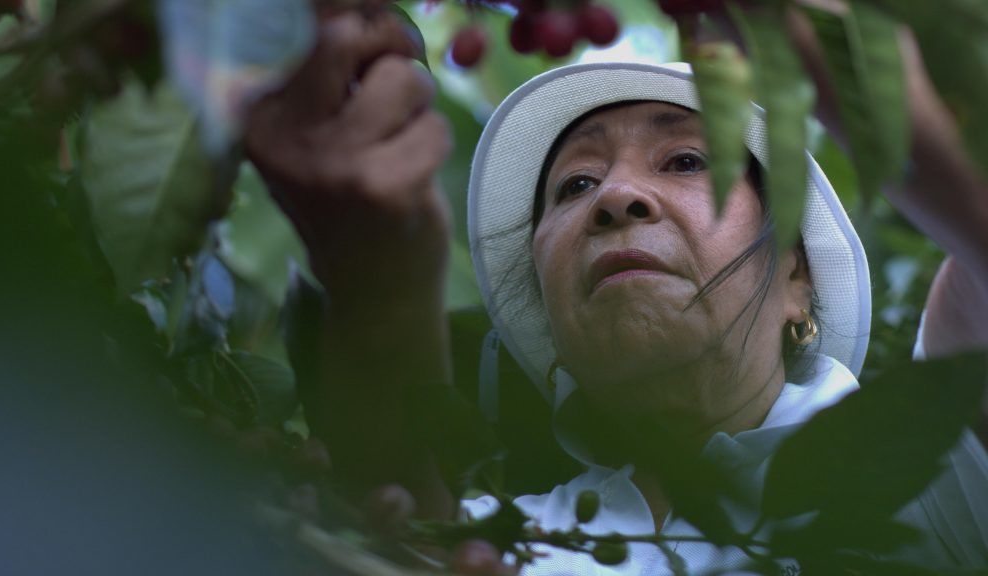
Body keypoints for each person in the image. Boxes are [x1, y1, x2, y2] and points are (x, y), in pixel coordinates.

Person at [245, 7, 988, 573]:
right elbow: (400, 521)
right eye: (575, 184)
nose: (617, 197)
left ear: (796, 277)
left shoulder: (937, 465)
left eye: (687, 161)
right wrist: (378, 274)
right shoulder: (515, 540)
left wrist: (811, 47)